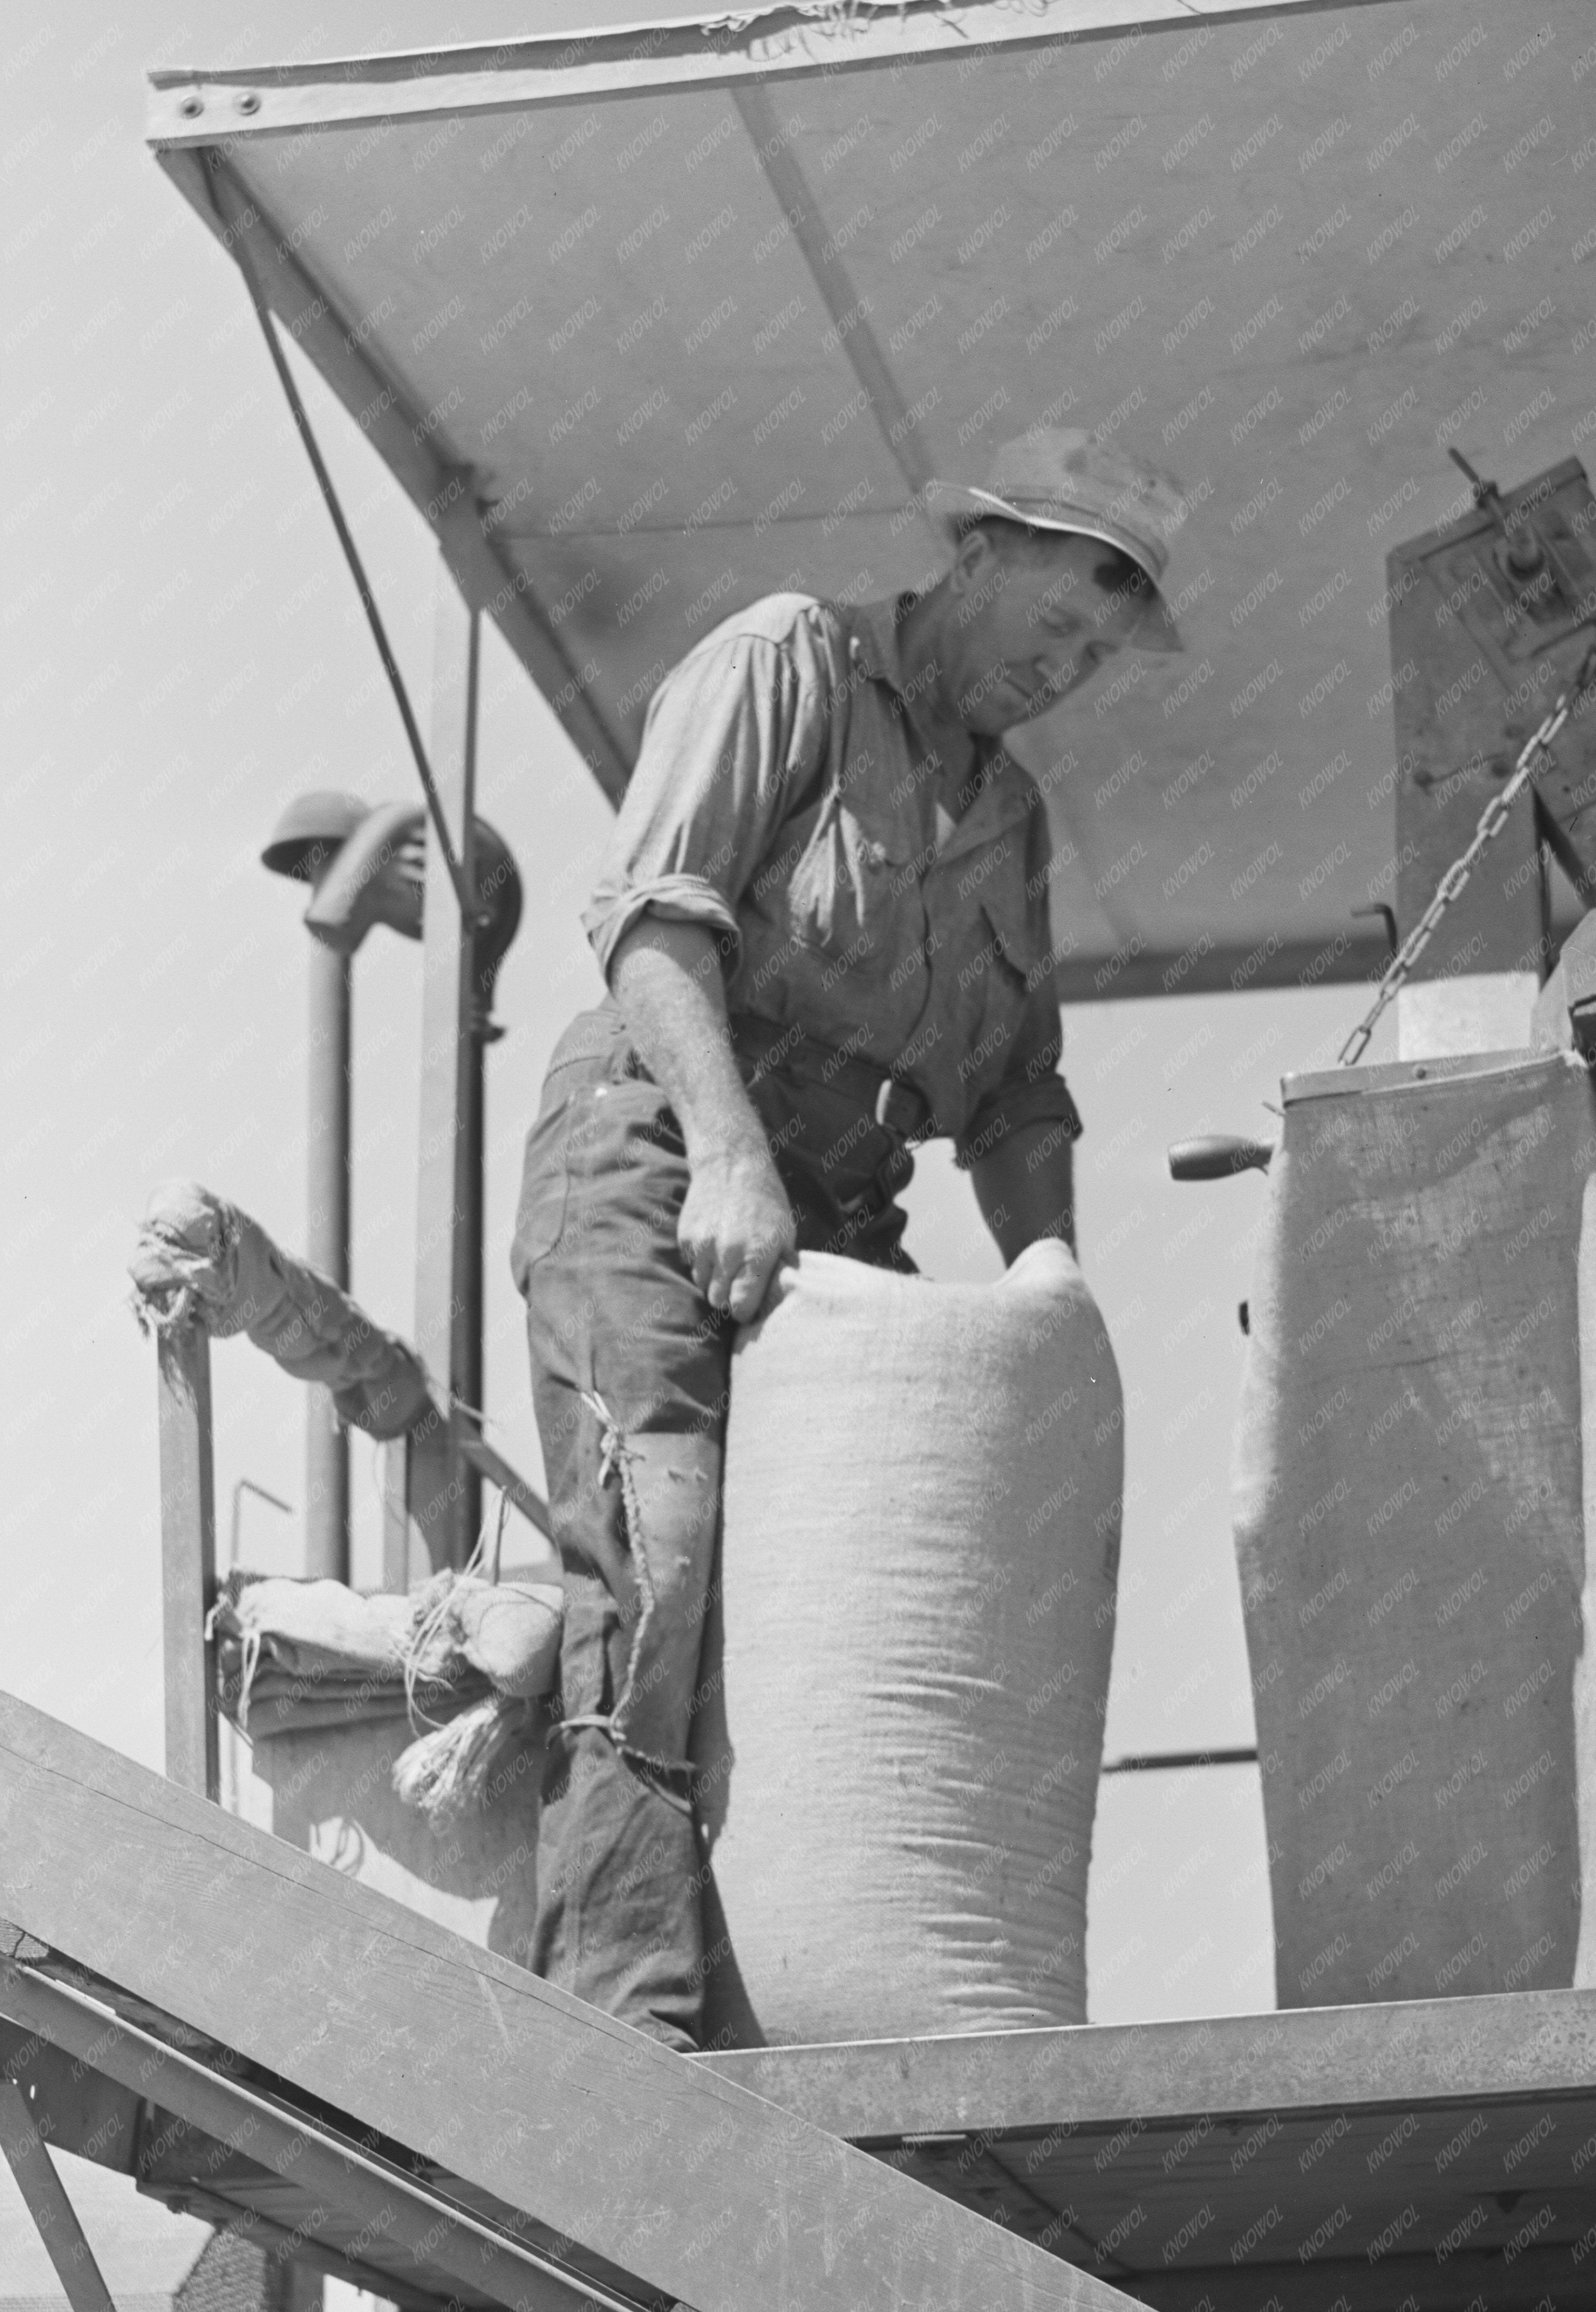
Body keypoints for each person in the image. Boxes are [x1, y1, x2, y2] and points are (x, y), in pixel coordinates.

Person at [507, 427, 1187, 2046]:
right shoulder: (786, 659)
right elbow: (651, 921)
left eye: (1098, 652)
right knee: (663, 1553)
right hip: (660, 1146)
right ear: (974, 555)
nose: (1066, 668)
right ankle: (625, 2024)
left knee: (837, 1611)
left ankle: (798, 2012)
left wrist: (1052, 1278)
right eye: (1056, 619)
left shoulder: (1005, 817)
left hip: (843, 1209)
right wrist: (728, 1162)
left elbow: (1018, 1095)